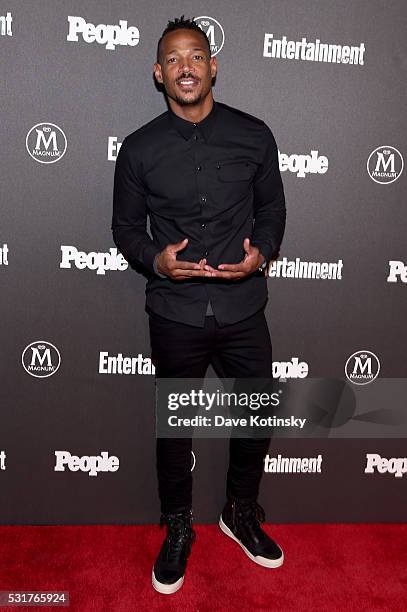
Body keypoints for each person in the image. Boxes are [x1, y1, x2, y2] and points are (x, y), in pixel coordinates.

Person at [112, 15, 286, 595]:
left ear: (213, 65)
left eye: (196, 56)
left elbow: (273, 211)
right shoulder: (138, 149)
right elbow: (125, 229)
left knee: (258, 412)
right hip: (176, 312)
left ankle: (240, 513)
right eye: (174, 59)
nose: (186, 67)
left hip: (244, 307)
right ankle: (179, 526)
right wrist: (156, 261)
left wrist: (260, 254)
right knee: (176, 427)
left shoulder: (255, 135)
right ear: (159, 74)